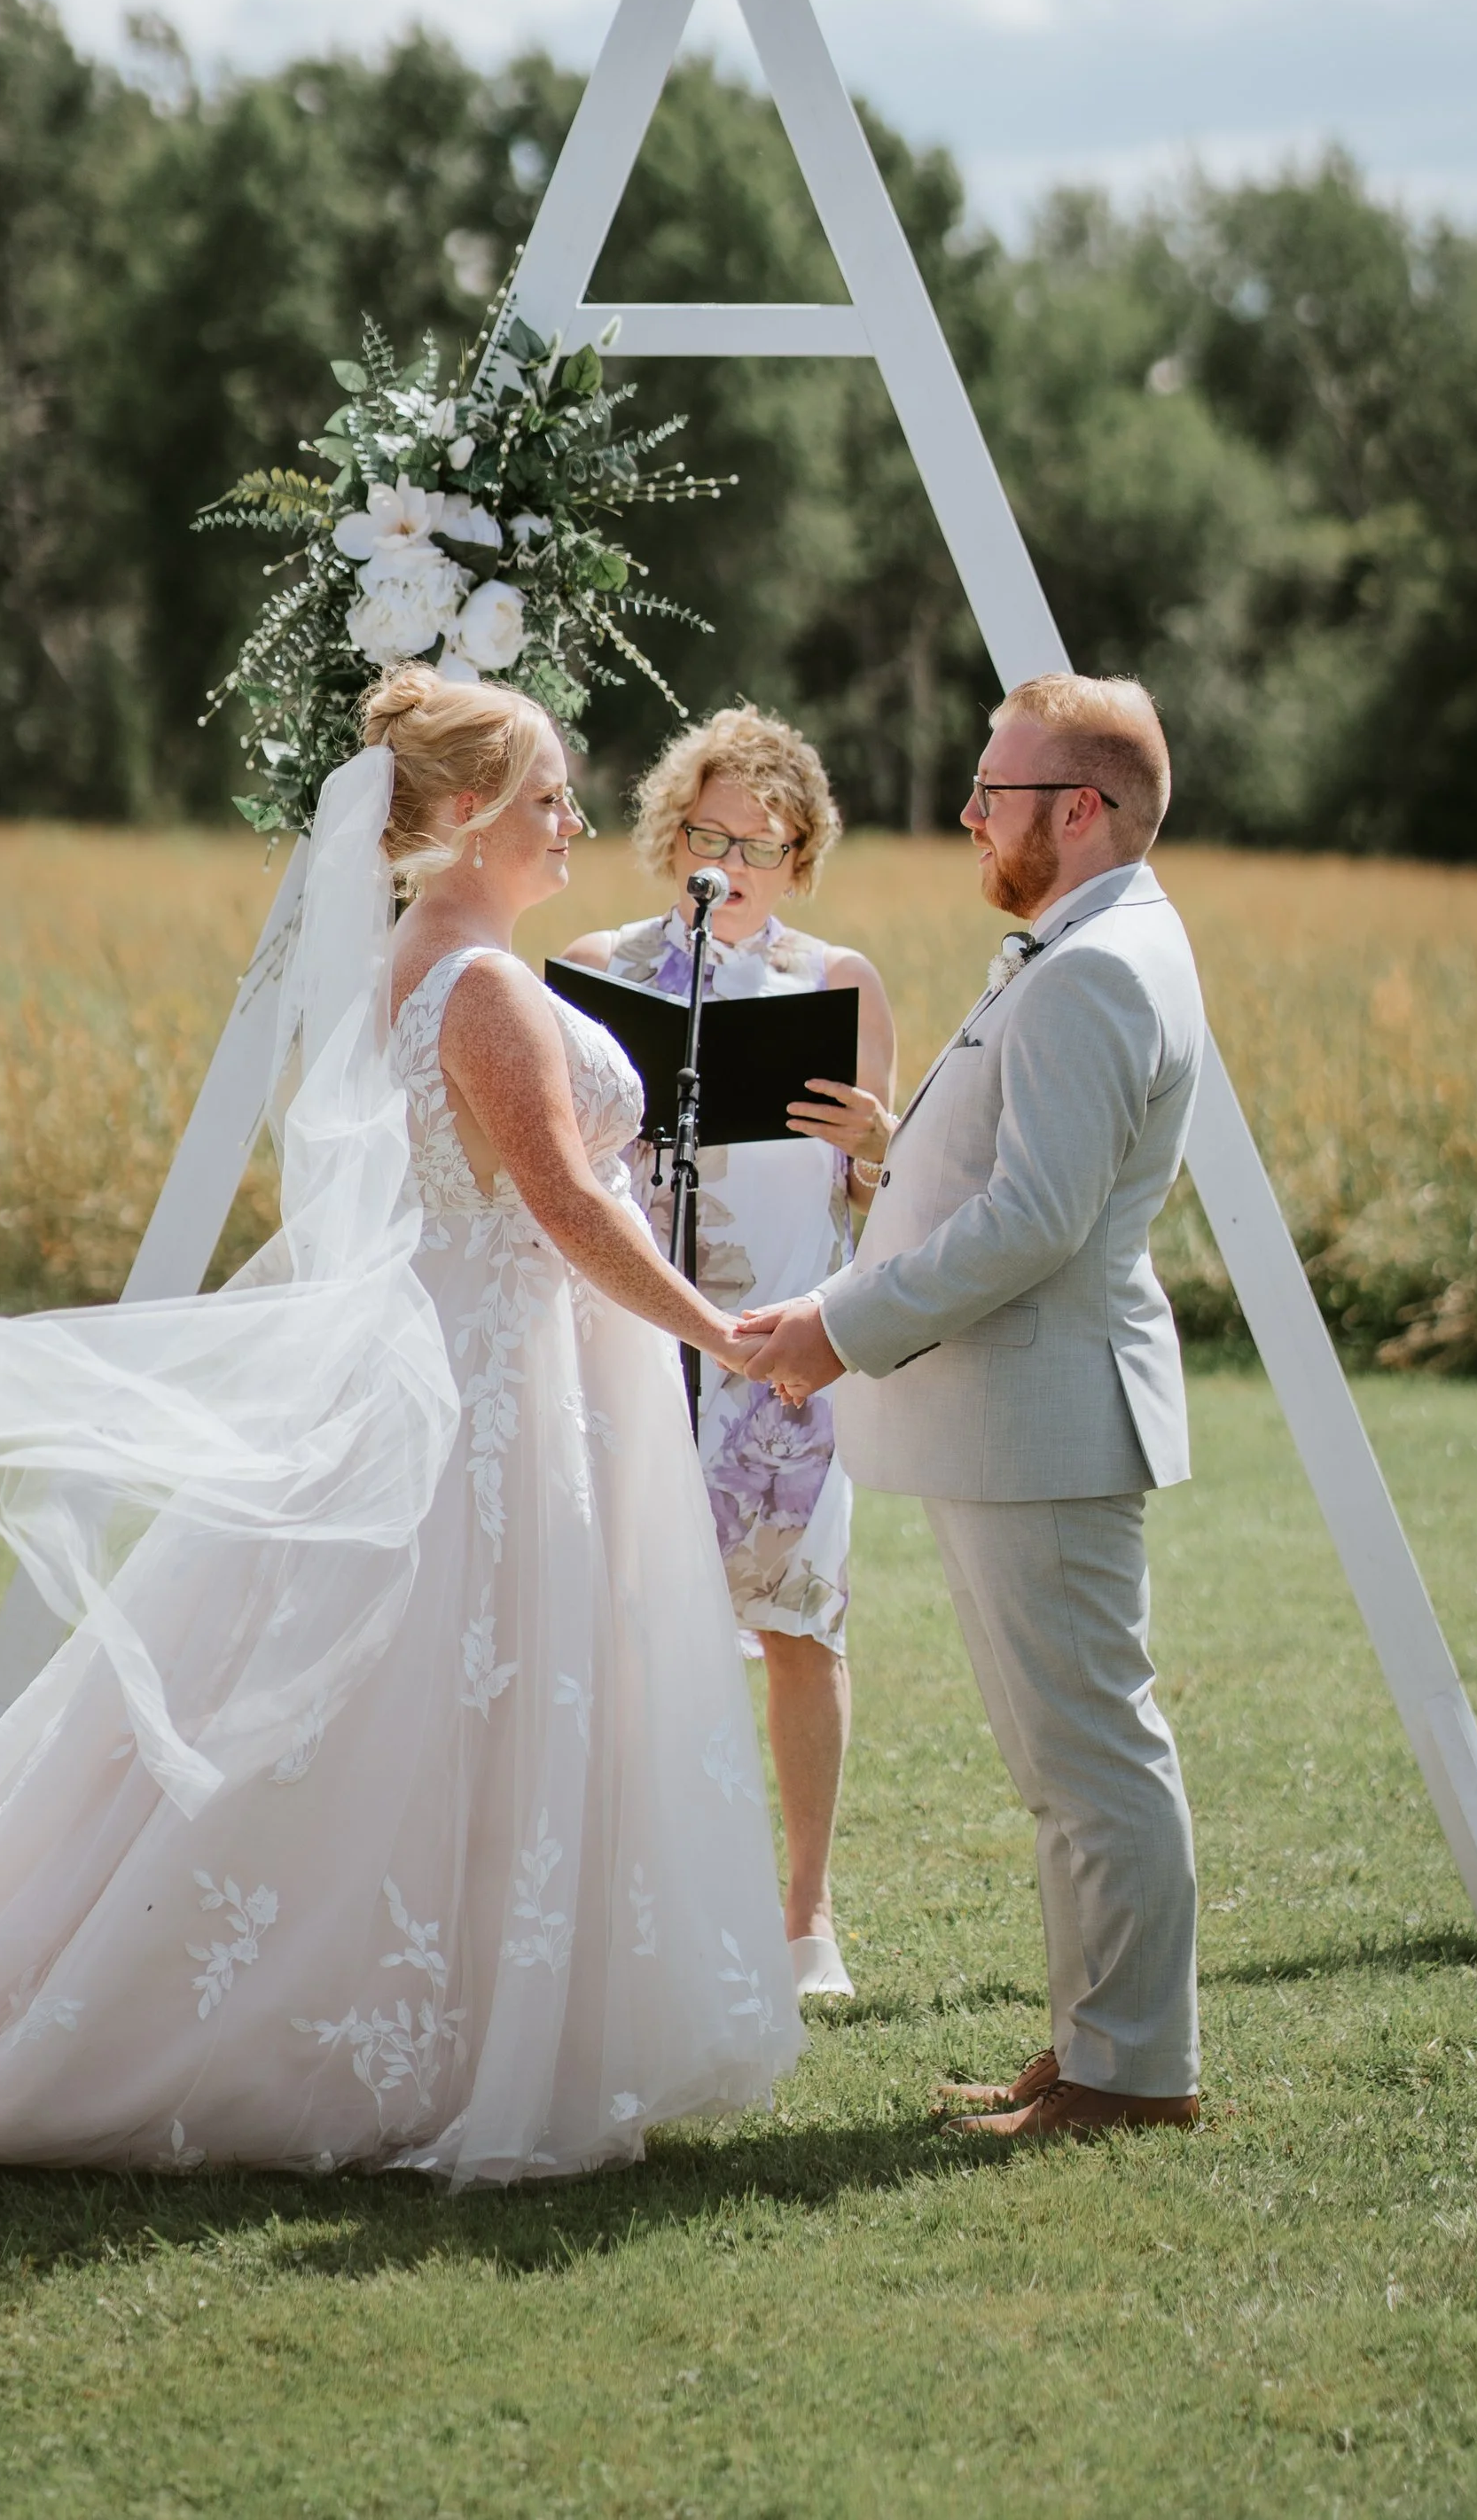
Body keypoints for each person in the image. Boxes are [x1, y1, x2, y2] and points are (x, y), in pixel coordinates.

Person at [0, 668, 802, 2188]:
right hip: (496, 1404)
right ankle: (422, 2032)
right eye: (546, 797)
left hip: (501, 1377)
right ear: (463, 816)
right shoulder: (485, 989)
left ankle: (454, 2014)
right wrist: (721, 1329)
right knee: (465, 1696)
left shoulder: (417, 966)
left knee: (453, 1711)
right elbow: (565, 1199)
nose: (575, 819)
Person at [737, 674, 1206, 2140]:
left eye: (993, 792)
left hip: (1045, 1413)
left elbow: (1034, 1224)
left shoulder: (1095, 969)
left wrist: (839, 1322)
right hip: (1025, 1410)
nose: (968, 815)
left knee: (1090, 1753)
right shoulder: (1082, 944)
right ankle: (1096, 2047)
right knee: (1063, 1759)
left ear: (1078, 810)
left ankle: (1134, 2075)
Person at [562, 706, 895, 2003]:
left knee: (797, 1624)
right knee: (627, 1616)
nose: (730, 858)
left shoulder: (837, 983)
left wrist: (879, 1137)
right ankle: (634, 1890)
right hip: (638, 1337)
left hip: (783, 1356)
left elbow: (883, 1205)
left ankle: (806, 1913)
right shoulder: (599, 964)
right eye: (708, 830)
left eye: (760, 838)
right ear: (670, 831)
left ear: (800, 850)